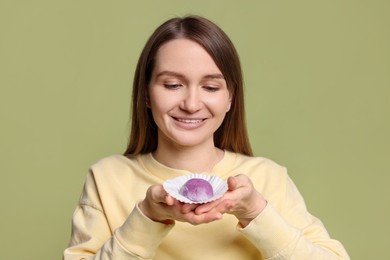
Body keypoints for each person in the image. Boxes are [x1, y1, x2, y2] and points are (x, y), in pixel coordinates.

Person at [63, 15, 350, 259]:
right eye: (173, 84)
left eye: (211, 87)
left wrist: (255, 212)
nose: (191, 103)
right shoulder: (107, 178)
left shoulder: (267, 178)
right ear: (147, 94)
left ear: (230, 99)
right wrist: (148, 216)